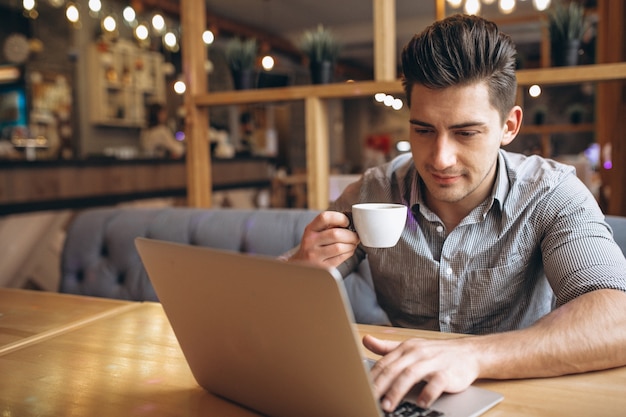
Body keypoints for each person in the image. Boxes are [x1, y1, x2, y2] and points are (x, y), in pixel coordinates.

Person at [286, 14, 626, 413]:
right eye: (423, 130)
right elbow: (269, 302)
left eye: (466, 133)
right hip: (404, 398)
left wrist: (473, 356)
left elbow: (617, 317)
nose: (440, 158)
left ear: (509, 126)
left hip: (520, 400)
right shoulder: (375, 191)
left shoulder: (551, 194)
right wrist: (298, 269)